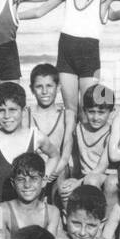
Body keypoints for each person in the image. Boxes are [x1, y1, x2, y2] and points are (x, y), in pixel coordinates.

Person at [0, 83, 59, 205]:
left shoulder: (35, 137)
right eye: (1, 111)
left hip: (29, 211)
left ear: (24, 110)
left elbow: (54, 155)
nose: (7, 116)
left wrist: (43, 179)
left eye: (12, 110)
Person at [56, 83, 118, 204]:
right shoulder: (79, 129)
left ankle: (101, 218)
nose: (95, 117)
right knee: (65, 187)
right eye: (91, 112)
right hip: (85, 177)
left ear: (111, 111)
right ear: (84, 110)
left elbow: (101, 168)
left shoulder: (112, 133)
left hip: (105, 177)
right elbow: (74, 158)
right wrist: (72, 179)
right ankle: (68, 218)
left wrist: (78, 183)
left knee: (92, 180)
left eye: (101, 112)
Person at [24, 63, 74, 200]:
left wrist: (54, 171)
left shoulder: (67, 115)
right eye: (39, 87)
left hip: (59, 168)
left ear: (58, 88)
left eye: (49, 86)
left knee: (62, 176)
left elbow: (66, 149)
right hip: (34, 169)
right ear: (32, 89)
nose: (45, 91)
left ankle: (61, 214)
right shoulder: (26, 115)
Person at [0, 152, 63, 238]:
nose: (27, 185)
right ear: (13, 183)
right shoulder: (4, 210)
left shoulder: (52, 212)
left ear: (44, 181)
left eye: (34, 179)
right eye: (21, 179)